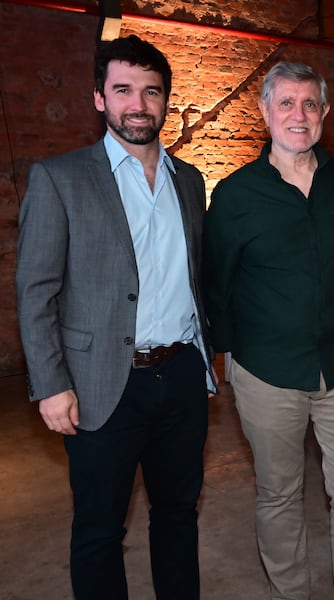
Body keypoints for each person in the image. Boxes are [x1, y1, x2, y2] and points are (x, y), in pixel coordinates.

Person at [15, 35, 215, 599]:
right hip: (101, 381)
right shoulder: (61, 178)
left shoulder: (190, 181)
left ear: (166, 101)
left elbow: (195, 278)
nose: (138, 104)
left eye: (152, 92)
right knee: (100, 531)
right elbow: (35, 290)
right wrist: (51, 385)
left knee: (179, 516)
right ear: (99, 98)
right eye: (123, 90)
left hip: (179, 377)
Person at [203, 61, 334, 600]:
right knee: (279, 494)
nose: (297, 115)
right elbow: (217, 283)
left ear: (324, 113)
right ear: (264, 111)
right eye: (285, 103)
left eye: (309, 104)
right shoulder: (235, 196)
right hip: (267, 371)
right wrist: (227, 359)